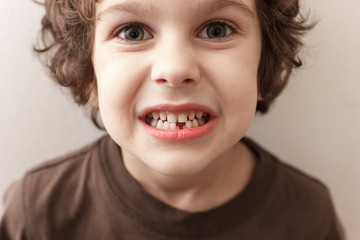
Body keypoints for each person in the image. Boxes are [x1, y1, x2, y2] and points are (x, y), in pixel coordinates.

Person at [0, 0, 345, 239]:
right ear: (89, 76)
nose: (176, 69)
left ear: (263, 66)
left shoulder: (308, 217)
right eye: (133, 32)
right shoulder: (36, 214)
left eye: (216, 30)